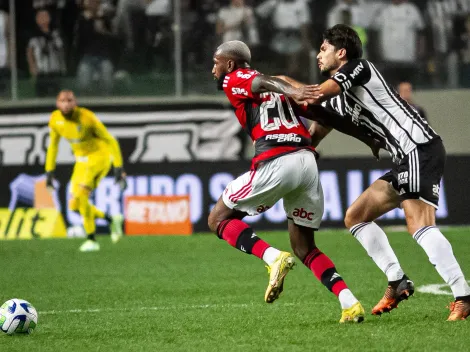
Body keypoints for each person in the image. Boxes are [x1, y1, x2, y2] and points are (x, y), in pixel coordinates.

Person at [303, 24, 470, 321]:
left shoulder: (358, 68)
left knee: (419, 223)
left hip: (418, 146)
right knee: (355, 216)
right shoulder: (339, 94)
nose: (318, 54)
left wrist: (290, 89)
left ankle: (463, 295)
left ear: (341, 52)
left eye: (324, 48)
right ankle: (397, 280)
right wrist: (305, 149)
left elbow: (318, 96)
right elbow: (321, 124)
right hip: (403, 156)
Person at [208, 40, 366, 323]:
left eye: (216, 63)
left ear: (230, 64)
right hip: (307, 163)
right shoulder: (281, 90)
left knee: (217, 218)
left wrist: (291, 87)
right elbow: (324, 116)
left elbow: (258, 81)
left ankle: (271, 258)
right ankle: (350, 303)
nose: (213, 70)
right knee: (304, 247)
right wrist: (368, 137)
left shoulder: (237, 78)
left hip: (277, 161)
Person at [45, 90, 127, 252]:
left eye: (69, 100)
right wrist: (49, 171)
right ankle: (111, 219)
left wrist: (118, 167)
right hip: (81, 162)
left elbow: (110, 140)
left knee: (82, 197)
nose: (66, 104)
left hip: (99, 158)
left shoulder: (87, 118)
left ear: (75, 103)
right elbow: (53, 146)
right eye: (63, 101)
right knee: (74, 205)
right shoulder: (55, 120)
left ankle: (92, 239)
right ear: (57, 103)